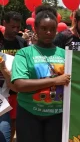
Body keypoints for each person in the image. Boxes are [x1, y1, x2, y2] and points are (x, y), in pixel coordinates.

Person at [11, 5, 70, 142]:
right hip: (29, 114)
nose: (48, 32)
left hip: (57, 116)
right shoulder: (24, 53)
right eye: (44, 28)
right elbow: (19, 84)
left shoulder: (66, 55)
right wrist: (55, 81)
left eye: (52, 29)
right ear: (35, 29)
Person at [0, 11, 27, 142]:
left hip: (15, 90)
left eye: (18, 26)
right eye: (12, 26)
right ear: (4, 23)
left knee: (13, 121)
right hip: (1, 90)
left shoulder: (22, 42)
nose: (16, 30)